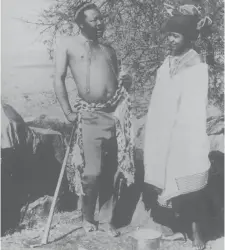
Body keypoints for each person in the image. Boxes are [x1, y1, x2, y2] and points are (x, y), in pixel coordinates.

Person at [54, 2, 135, 236]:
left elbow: (117, 81)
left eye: (101, 19)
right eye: (94, 20)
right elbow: (58, 78)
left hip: (115, 115)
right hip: (89, 116)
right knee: (92, 173)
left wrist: (126, 83)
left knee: (112, 170)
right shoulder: (67, 44)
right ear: (81, 23)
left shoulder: (108, 50)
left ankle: (107, 219)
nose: (100, 23)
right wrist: (68, 112)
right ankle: (88, 217)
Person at [144, 8, 211, 250]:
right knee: (172, 181)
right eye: (169, 36)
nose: (170, 40)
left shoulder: (196, 64)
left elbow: (194, 105)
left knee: (190, 183)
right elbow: (161, 96)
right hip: (167, 132)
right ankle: (180, 230)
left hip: (185, 133)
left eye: (176, 36)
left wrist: (183, 133)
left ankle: (197, 234)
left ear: (188, 37)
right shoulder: (169, 61)